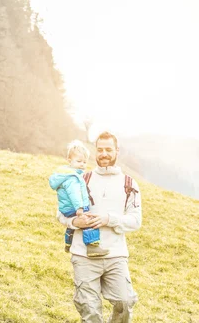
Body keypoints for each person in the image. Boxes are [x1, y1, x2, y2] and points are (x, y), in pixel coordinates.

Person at [57, 131, 141, 323]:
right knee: (90, 311)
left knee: (125, 302)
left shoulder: (129, 183)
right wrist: (74, 222)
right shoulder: (80, 179)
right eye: (100, 149)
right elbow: (61, 213)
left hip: (116, 256)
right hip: (84, 255)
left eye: (109, 150)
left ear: (117, 151)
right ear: (95, 151)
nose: (104, 154)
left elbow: (135, 220)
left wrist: (108, 219)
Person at [49, 140, 108, 257]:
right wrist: (80, 208)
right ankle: (92, 246)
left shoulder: (65, 174)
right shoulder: (73, 178)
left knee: (72, 224)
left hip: (66, 208)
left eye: (84, 162)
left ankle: (68, 242)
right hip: (75, 206)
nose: (82, 164)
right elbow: (74, 194)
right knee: (89, 221)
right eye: (79, 161)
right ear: (69, 161)